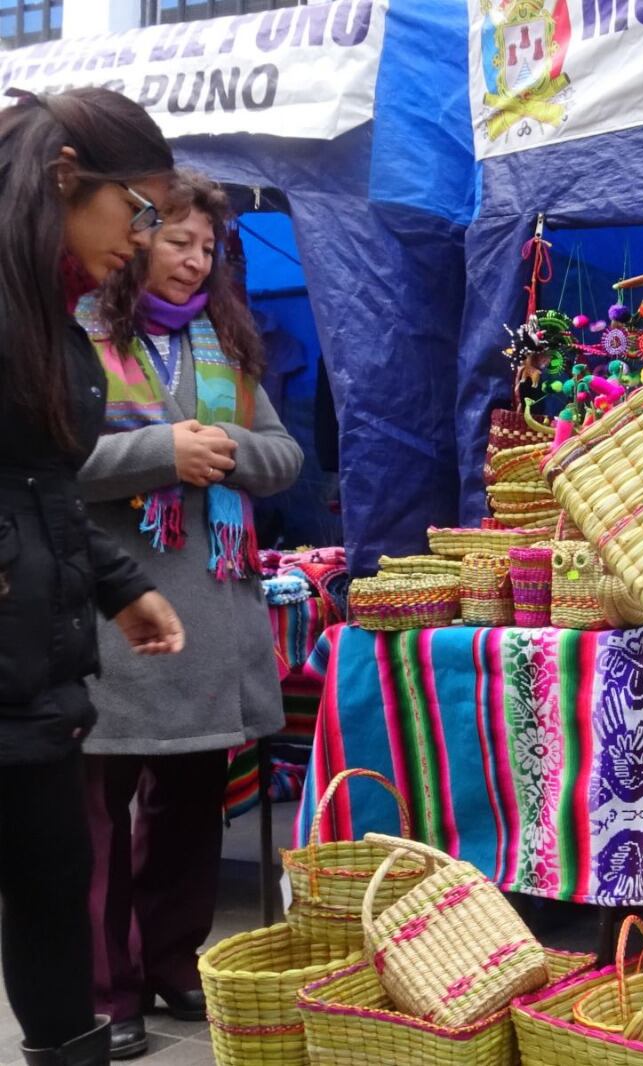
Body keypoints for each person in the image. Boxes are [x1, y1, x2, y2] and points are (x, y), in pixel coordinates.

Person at [75, 169, 302, 1060]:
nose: (196, 261)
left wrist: (226, 449)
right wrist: (158, 451)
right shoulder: (78, 338)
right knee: (99, 812)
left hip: (211, 618)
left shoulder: (228, 345)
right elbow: (51, 459)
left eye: (208, 248)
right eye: (178, 241)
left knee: (189, 808)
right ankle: (105, 989)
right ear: (135, 241)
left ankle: (174, 964)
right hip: (115, 615)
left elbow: (283, 457)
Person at [0, 87, 185, 1066]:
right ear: (69, 174)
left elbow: (39, 486)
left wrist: (118, 583)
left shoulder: (46, 311)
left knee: (50, 882)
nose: (149, 237)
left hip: (35, 667)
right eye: (142, 209)